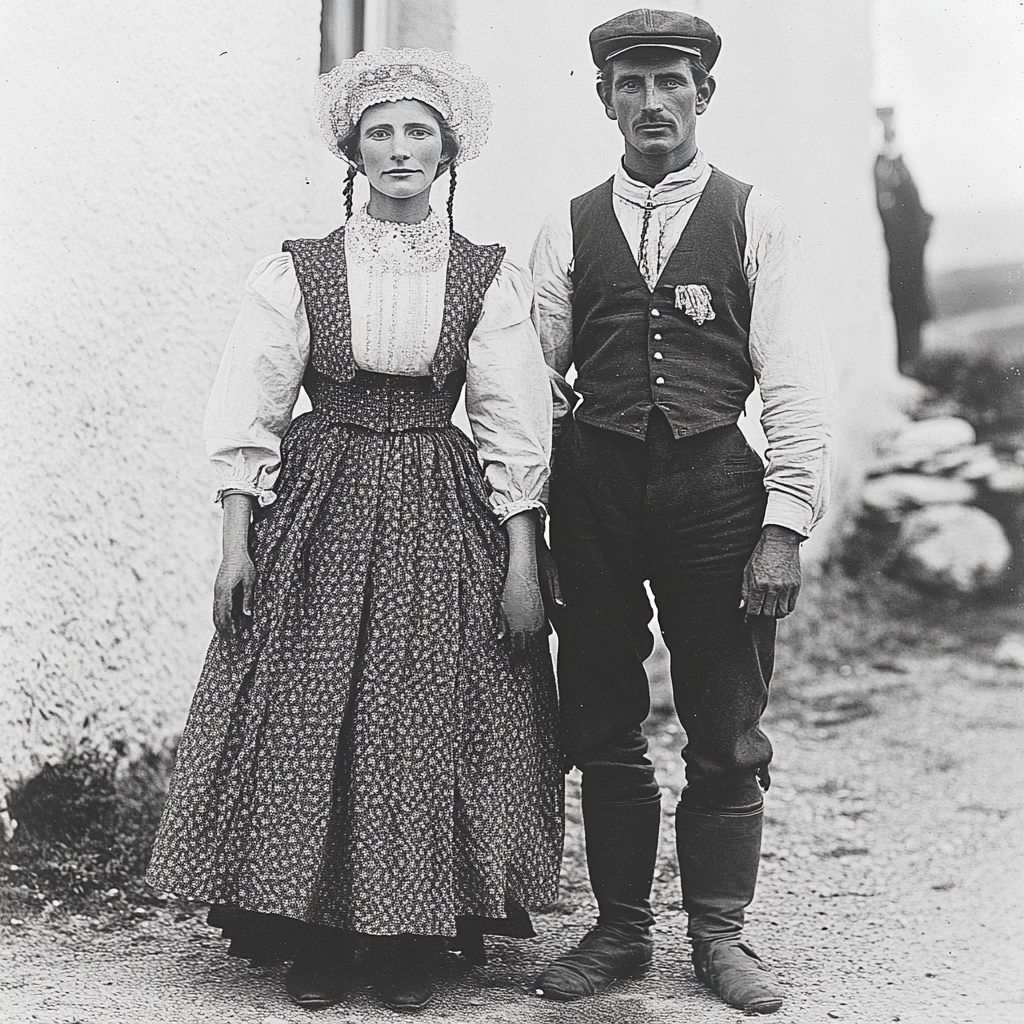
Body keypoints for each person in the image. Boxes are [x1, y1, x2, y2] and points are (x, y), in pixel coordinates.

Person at [147, 47, 563, 1014]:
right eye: (381, 132)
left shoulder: (483, 276)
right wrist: (235, 543)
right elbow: (247, 413)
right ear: (354, 150)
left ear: (447, 151)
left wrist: (521, 564)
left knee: (421, 719)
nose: (400, 148)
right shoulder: (303, 270)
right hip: (320, 503)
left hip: (435, 505)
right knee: (308, 712)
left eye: (419, 131)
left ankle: (414, 938)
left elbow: (511, 427)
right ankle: (318, 934)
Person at [529, 10, 836, 1015]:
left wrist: (781, 524)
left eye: (669, 81)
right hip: (597, 495)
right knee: (602, 715)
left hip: (715, 490)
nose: (650, 102)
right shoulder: (568, 223)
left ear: (704, 92)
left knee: (724, 719)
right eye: (629, 83)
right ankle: (620, 929)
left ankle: (717, 932)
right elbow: (529, 375)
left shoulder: (756, 215)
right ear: (603, 97)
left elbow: (792, 376)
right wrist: (534, 506)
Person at [874, 106, 933, 375]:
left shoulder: (895, 167)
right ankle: (907, 364)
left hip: (906, 259)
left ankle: (910, 364)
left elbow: (917, 214)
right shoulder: (884, 167)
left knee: (910, 310)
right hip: (898, 259)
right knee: (905, 311)